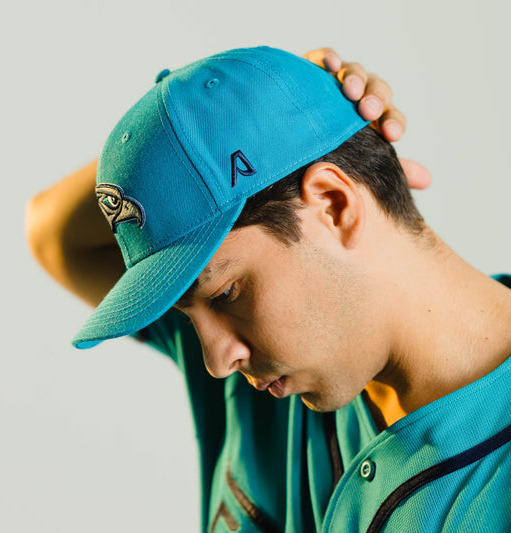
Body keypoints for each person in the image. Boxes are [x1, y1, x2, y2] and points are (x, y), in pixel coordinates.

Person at [26, 46, 511, 532]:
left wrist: (288, 113)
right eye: (184, 313)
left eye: (224, 295)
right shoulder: (268, 380)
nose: (217, 363)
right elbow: (52, 234)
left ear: (334, 205)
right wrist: (267, 111)